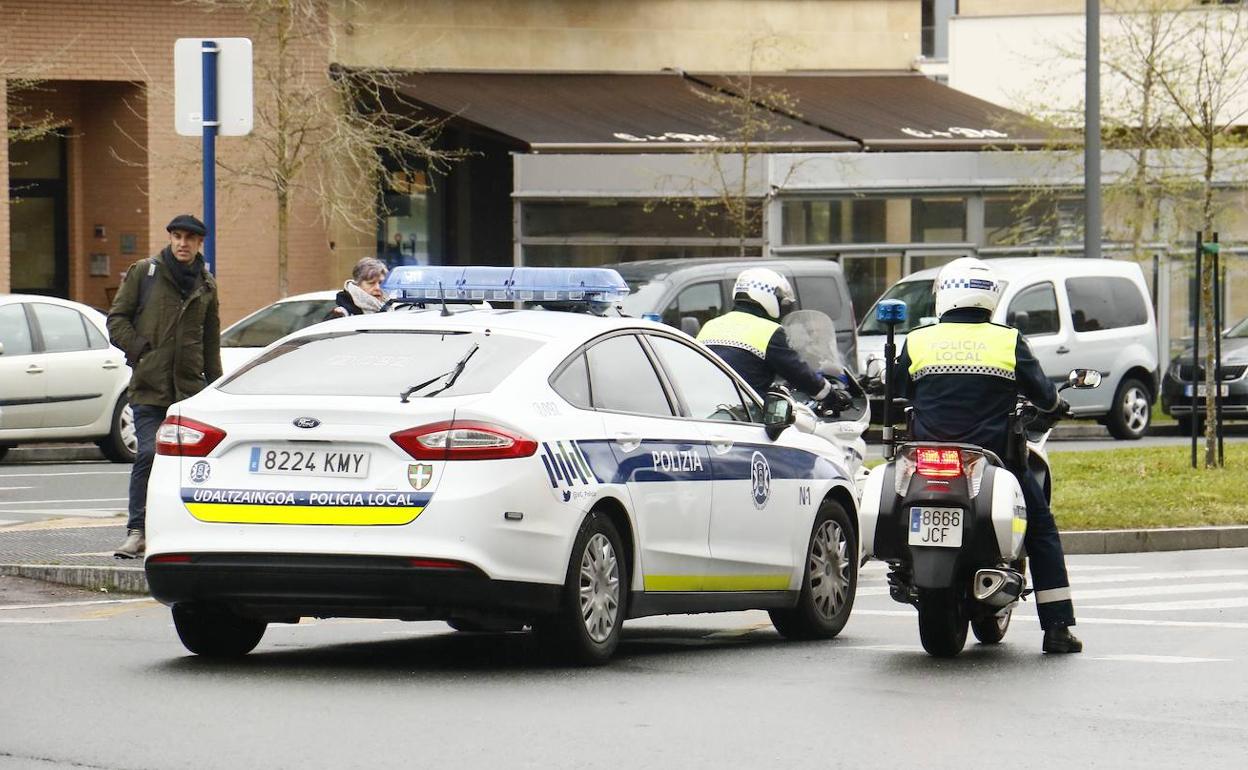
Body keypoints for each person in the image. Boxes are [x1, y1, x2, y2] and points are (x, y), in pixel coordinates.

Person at [891, 257, 1081, 654]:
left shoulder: (918, 340)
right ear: (989, 298)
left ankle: (904, 567)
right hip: (994, 461)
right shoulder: (1007, 340)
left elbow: (896, 393)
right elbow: (1045, 396)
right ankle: (1058, 628)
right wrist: (1056, 404)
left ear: (945, 294)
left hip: (926, 461)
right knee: (1041, 528)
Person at [107, 214, 222, 559]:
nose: (182, 243)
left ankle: (186, 529)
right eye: (177, 236)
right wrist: (140, 349)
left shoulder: (206, 284)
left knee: (195, 465)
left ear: (200, 243)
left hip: (188, 391)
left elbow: (209, 340)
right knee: (149, 453)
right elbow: (116, 319)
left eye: (189, 238)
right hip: (149, 386)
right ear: (170, 238)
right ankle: (137, 531)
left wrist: (215, 387)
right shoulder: (146, 273)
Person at [698, 267, 851, 411]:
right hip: (746, 414)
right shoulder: (768, 331)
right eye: (780, 300)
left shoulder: (710, 325)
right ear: (766, 296)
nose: (782, 306)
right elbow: (798, 373)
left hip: (706, 409)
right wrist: (831, 395)